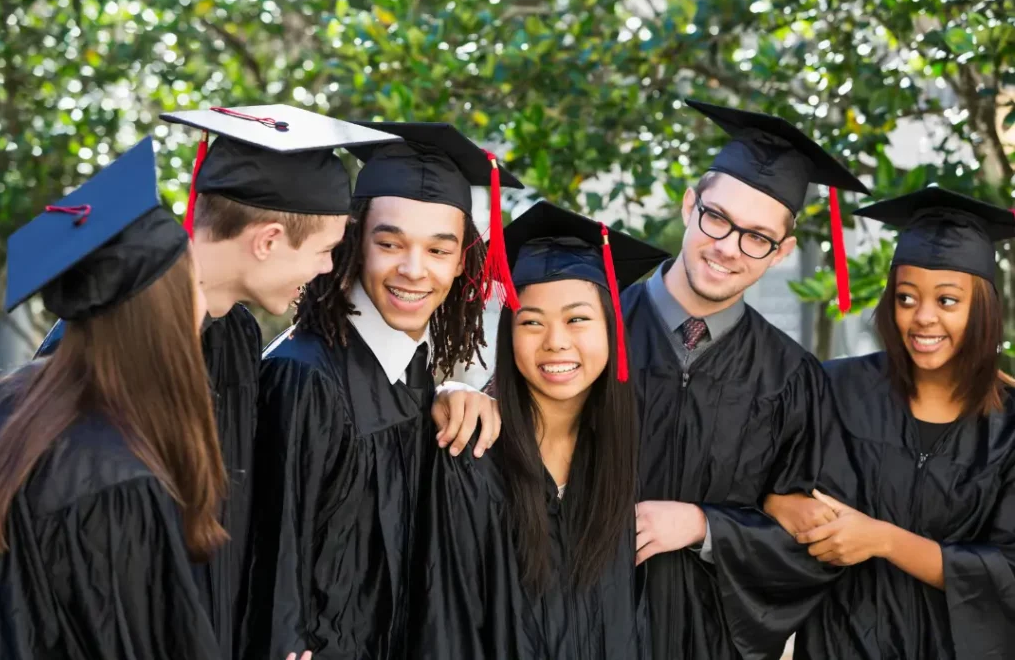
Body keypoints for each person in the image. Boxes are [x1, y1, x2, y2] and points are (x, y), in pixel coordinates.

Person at [434, 99, 870, 659]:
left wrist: (705, 526)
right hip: (572, 628)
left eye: (757, 237)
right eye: (718, 218)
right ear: (691, 205)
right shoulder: (588, 332)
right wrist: (454, 393)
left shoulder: (792, 380)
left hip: (705, 640)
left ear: (781, 251)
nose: (728, 247)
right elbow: (514, 424)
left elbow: (808, 543)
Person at [32, 105, 401, 660]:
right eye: (325, 250)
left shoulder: (236, 336)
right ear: (268, 240)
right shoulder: (107, 341)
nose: (328, 270)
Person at [241, 122, 522, 660]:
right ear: (353, 242)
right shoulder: (303, 376)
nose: (413, 270)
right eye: (389, 243)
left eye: (439, 251)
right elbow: (272, 563)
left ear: (462, 262)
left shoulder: (419, 375)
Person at [0, 138, 226, 659]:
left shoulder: (7, 407)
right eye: (193, 283)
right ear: (159, 310)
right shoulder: (119, 482)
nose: (205, 301)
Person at [764, 186, 1015, 660]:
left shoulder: (1009, 426)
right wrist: (793, 511)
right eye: (905, 297)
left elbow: (1008, 571)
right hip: (841, 645)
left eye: (947, 301)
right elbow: (768, 491)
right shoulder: (833, 389)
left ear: (981, 309)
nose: (922, 318)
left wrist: (882, 539)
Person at [409, 201, 666, 659]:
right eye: (531, 322)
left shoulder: (628, 452)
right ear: (509, 334)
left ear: (612, 329)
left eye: (577, 318)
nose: (555, 341)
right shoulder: (472, 454)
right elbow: (445, 624)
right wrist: (445, 390)